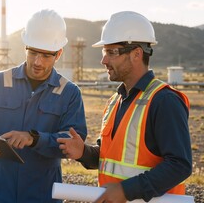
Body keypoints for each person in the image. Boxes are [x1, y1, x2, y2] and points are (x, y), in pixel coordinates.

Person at [57, 11, 192, 203]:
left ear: (137, 54)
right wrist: (84, 152)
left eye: (111, 52)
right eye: (104, 52)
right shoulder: (115, 101)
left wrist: (125, 191)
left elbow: (180, 165)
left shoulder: (164, 100)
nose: (103, 61)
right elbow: (109, 158)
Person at [0, 9, 87, 203]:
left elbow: (72, 141)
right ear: (25, 47)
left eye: (46, 55)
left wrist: (34, 139)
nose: (38, 62)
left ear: (59, 53)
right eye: (34, 52)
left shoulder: (69, 93)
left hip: (43, 194)